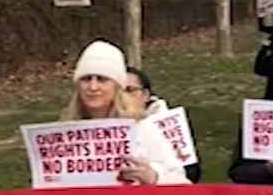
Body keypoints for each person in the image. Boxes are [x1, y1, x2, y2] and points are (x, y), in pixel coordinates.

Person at [62, 40, 189, 185]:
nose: (93, 87)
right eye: (86, 79)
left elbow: (183, 184)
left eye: (102, 79)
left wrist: (153, 177)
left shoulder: (144, 128)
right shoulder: (66, 135)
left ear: (117, 87)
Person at [125, 67, 201, 183]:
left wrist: (154, 175)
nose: (124, 97)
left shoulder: (165, 124)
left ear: (145, 94)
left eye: (130, 90)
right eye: (117, 91)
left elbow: (190, 174)